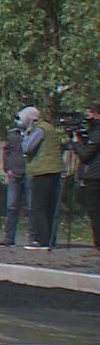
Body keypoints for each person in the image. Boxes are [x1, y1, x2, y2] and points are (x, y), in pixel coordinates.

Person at [20, 106, 63, 250]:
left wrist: (25, 135)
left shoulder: (38, 130)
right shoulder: (48, 127)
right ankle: (50, 238)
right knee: (49, 206)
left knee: (39, 207)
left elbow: (27, 148)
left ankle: (42, 240)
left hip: (42, 171)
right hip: (53, 170)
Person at [71, 101, 100, 251]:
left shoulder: (97, 133)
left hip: (95, 177)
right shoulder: (94, 131)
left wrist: (76, 143)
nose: (88, 117)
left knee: (94, 211)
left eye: (90, 113)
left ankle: (98, 244)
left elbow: (86, 155)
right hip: (94, 175)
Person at [0, 115, 30, 246]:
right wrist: (7, 169)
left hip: (29, 174)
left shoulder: (34, 133)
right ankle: (9, 237)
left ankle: (33, 237)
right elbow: (6, 152)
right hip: (14, 175)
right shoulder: (11, 135)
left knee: (32, 207)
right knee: (12, 206)